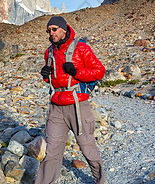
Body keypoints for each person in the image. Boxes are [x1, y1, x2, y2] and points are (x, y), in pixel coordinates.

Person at [34, 16, 107, 184]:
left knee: (87, 147)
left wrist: (77, 72)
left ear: (64, 30)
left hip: (77, 105)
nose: (50, 33)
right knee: (52, 150)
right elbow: (52, 80)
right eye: (48, 30)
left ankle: (101, 181)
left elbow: (99, 71)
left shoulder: (81, 48)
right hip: (56, 107)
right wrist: (46, 76)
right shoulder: (49, 52)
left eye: (54, 29)